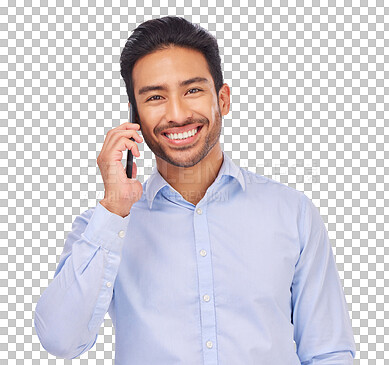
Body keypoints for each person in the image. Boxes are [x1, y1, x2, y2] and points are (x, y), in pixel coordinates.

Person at [34, 16, 356, 364]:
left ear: (223, 99)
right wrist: (114, 208)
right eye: (155, 97)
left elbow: (328, 351)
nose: (177, 114)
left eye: (192, 90)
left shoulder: (291, 212)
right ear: (135, 117)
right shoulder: (106, 226)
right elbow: (60, 340)